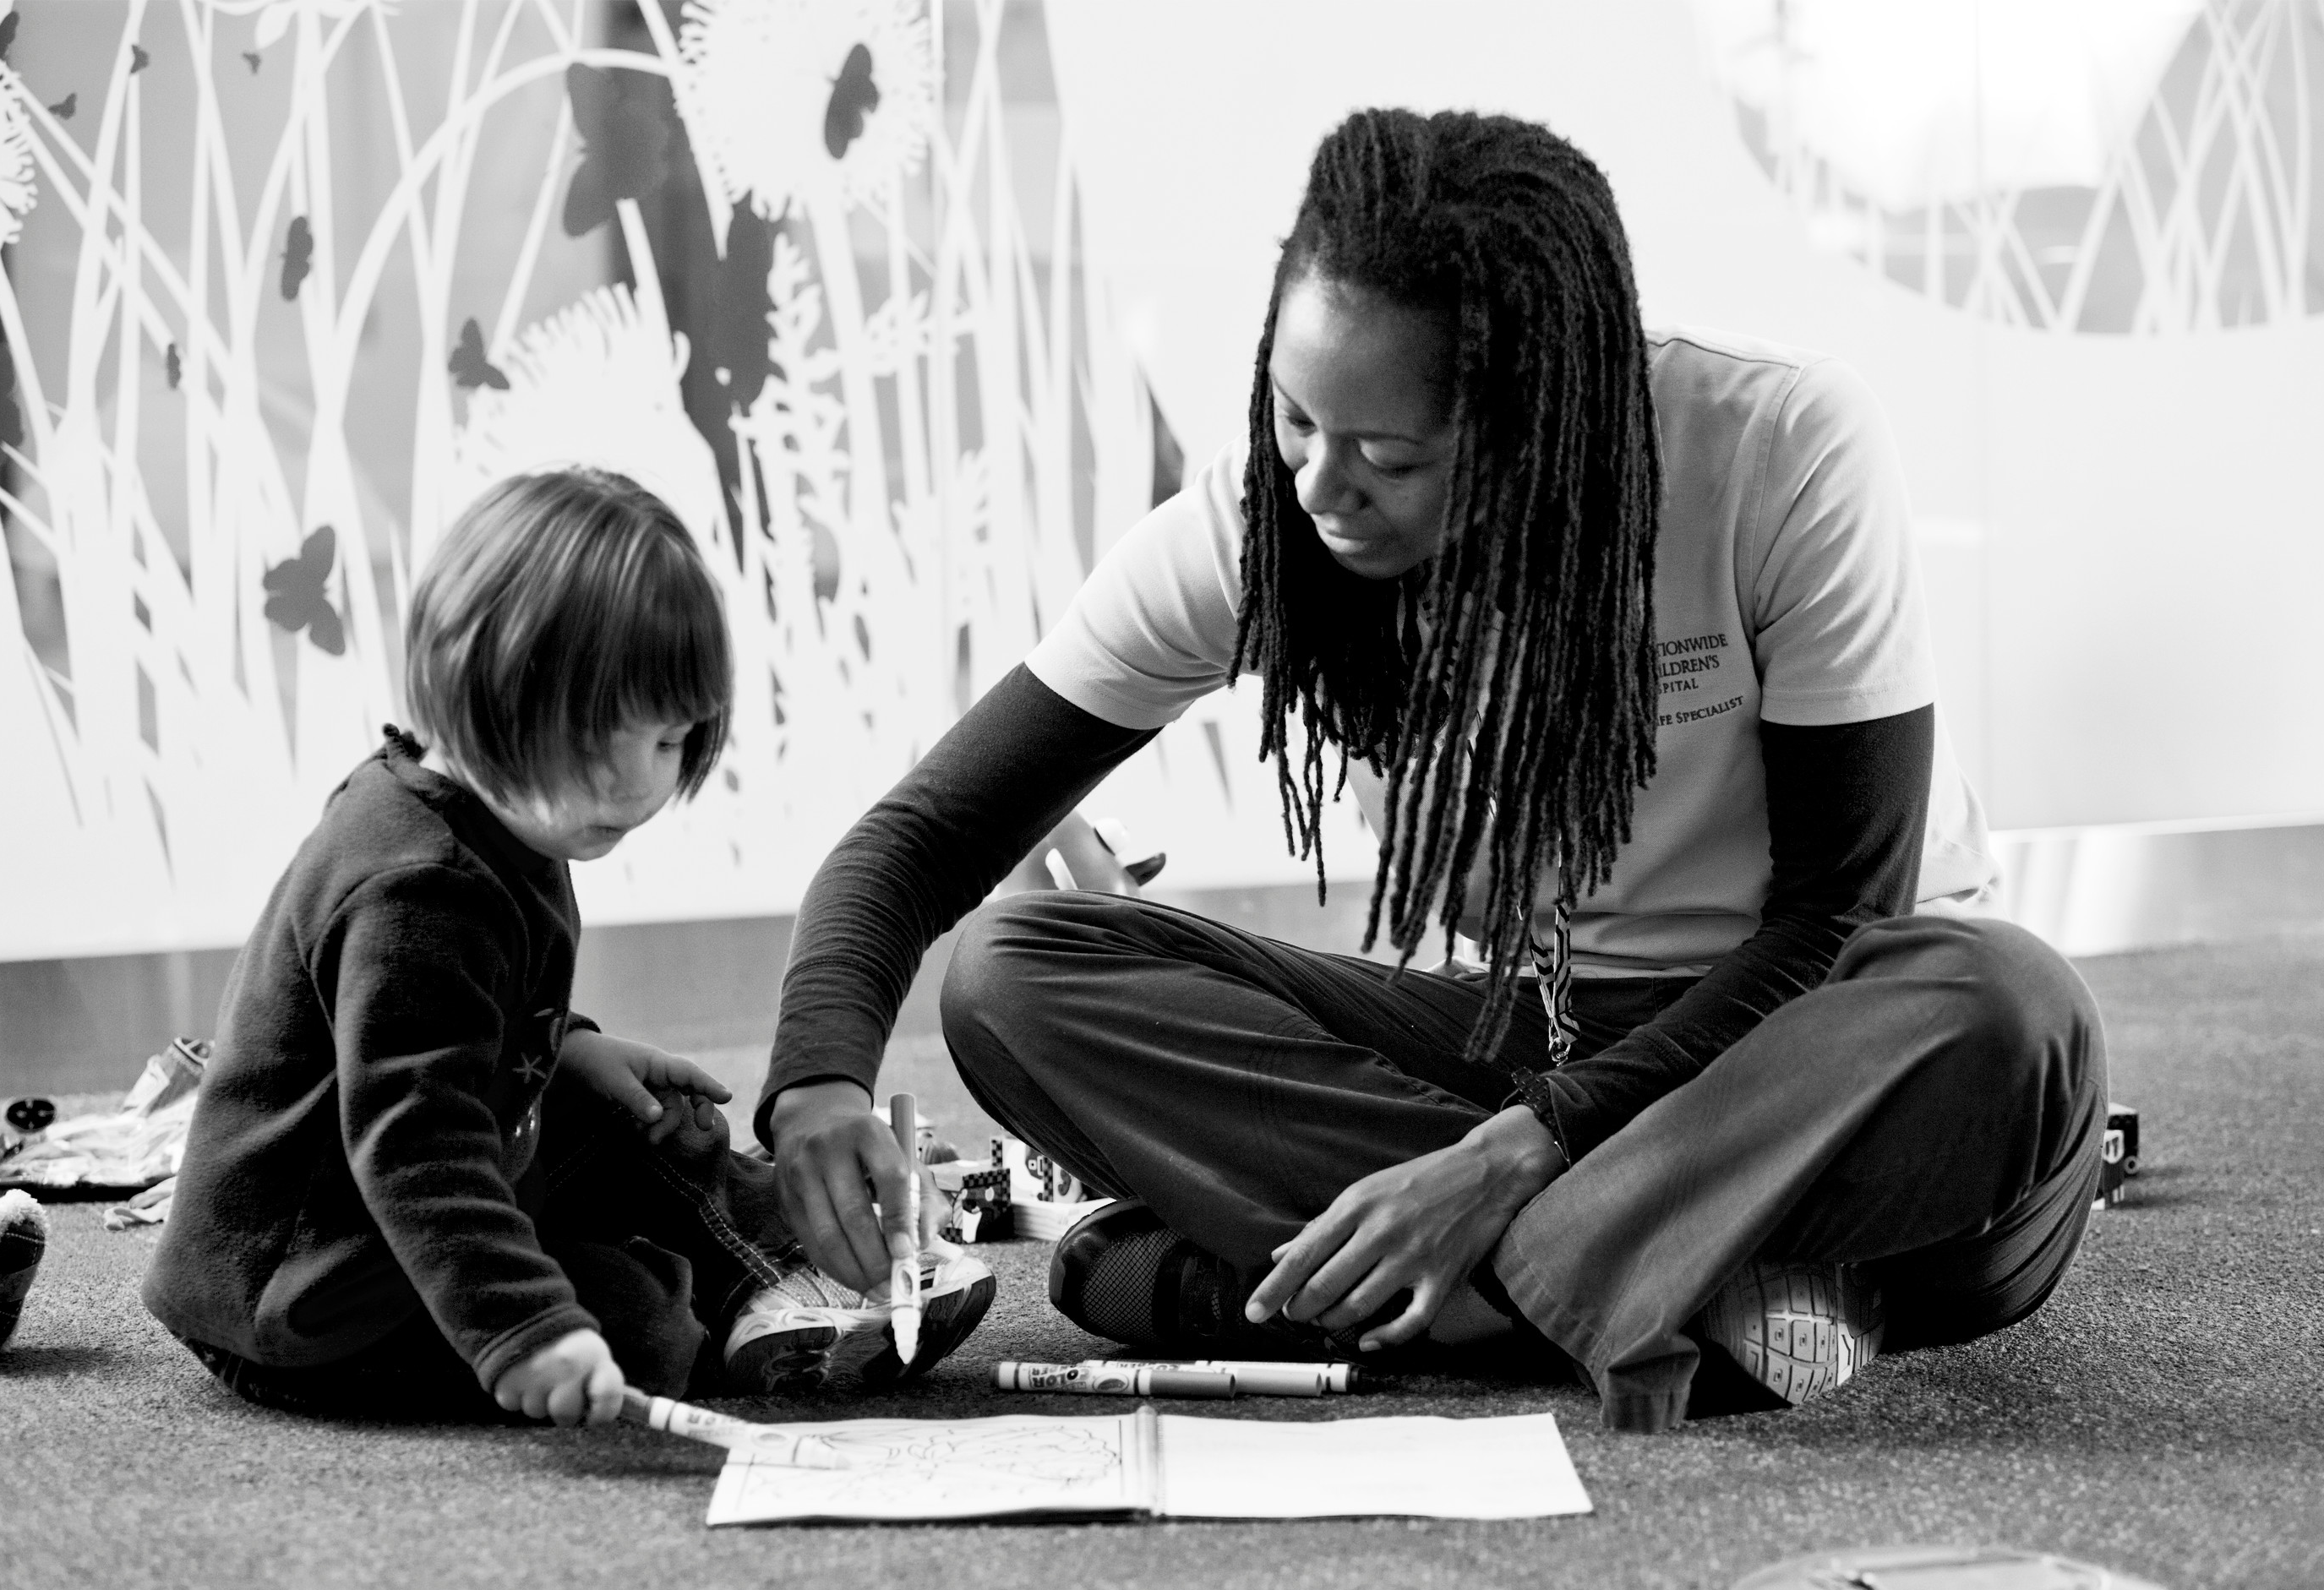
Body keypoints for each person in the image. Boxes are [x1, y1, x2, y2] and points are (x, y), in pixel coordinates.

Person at [756, 110, 2106, 1433]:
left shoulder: (1781, 447)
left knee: (2012, 1007)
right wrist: (816, 1079)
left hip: (1821, 1072)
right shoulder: (1267, 529)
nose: (1317, 487)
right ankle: (1646, 1287)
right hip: (1557, 1042)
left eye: (1389, 457)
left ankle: (1361, 1282)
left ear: (1538, 428)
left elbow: (1839, 924)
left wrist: (1511, 1153)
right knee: (1019, 974)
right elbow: (924, 837)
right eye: (1292, 419)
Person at [142, 468, 993, 1424]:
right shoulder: (417, 887)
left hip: (422, 1177)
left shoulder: (489, 806)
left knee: (650, 1124)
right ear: (488, 688)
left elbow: (454, 1008)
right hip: (313, 1293)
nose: (640, 783)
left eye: (671, 740)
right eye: (602, 740)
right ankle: (729, 1307)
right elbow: (417, 1148)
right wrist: (529, 1325)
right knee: (627, 1319)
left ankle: (791, 1250)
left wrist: (570, 1041)